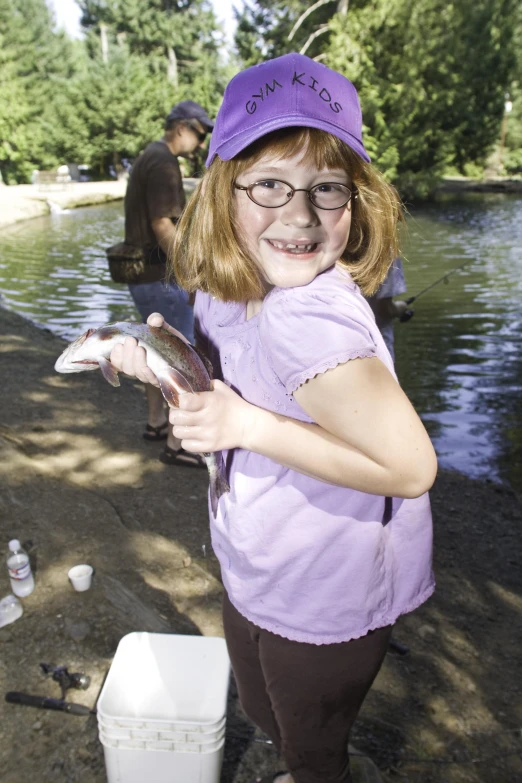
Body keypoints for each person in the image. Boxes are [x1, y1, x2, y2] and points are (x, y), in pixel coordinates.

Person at [110, 53, 437, 783]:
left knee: (312, 746)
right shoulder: (225, 285)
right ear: (224, 189)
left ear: (356, 202)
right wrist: (165, 371)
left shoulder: (308, 319)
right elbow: (228, 390)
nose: (299, 213)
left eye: (327, 188)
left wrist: (245, 428)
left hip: (329, 585)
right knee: (263, 707)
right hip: (260, 553)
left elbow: (412, 467)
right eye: (269, 184)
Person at [123, 100, 214, 466]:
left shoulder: (148, 154)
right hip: (158, 276)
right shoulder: (163, 161)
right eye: (201, 132)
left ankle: (156, 423)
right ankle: (180, 447)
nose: (203, 141)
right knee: (182, 355)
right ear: (182, 127)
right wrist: (191, 273)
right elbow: (163, 224)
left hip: (142, 276)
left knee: (153, 349)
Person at [366, 257, 409, 362]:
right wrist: (401, 307)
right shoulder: (387, 250)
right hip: (379, 345)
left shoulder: (336, 251)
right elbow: (385, 309)